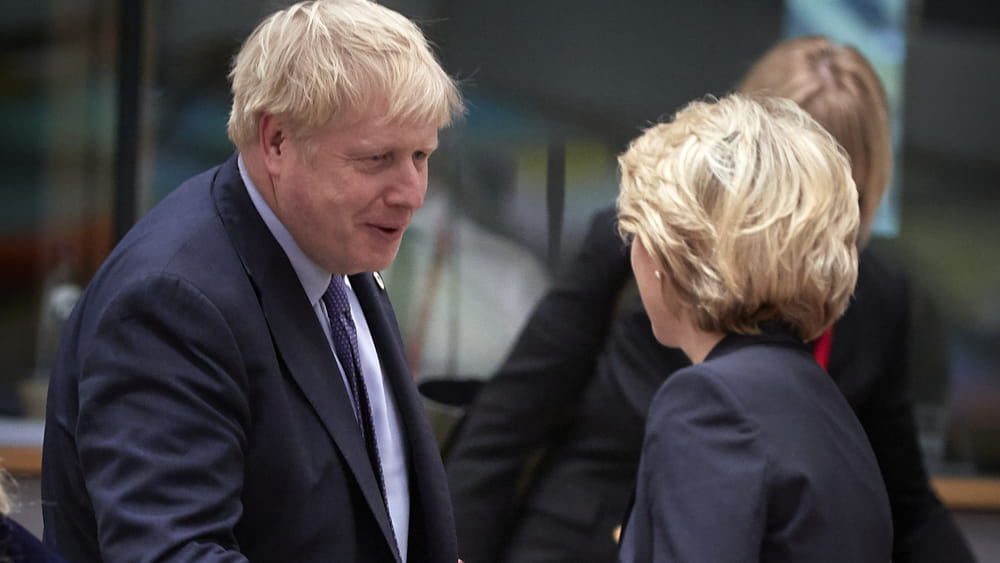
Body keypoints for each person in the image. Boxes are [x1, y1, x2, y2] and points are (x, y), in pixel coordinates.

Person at [446, 36, 977, 563]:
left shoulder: (864, 314)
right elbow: (508, 421)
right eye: (784, 185)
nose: (801, 220)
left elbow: (904, 499)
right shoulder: (639, 234)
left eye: (832, 196)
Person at [41, 1, 464, 561]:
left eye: (420, 155)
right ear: (277, 143)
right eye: (377, 158)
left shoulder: (340, 250)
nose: (412, 193)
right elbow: (173, 551)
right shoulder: (169, 302)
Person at [614, 91, 890, 561]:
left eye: (637, 229)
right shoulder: (829, 410)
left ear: (673, 252)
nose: (632, 250)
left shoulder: (709, 404)